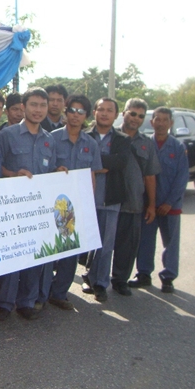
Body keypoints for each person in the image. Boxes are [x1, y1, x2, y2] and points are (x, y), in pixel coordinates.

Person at [0, 88, 63, 321]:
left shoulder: (49, 140)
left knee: (36, 254)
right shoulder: (7, 135)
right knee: (11, 256)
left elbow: (50, 171)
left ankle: (27, 301)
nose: (38, 110)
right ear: (23, 107)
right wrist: (13, 174)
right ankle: (4, 302)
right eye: (33, 105)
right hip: (11, 208)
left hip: (39, 209)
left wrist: (59, 173)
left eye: (42, 105)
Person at [48, 95, 102, 310]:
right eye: (72, 110)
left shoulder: (91, 143)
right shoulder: (51, 138)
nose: (76, 115)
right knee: (49, 249)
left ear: (86, 116)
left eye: (81, 112)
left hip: (77, 205)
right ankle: (42, 291)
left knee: (71, 250)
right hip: (53, 204)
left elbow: (92, 175)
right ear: (66, 111)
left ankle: (60, 293)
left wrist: (88, 205)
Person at [130, 107, 189, 294]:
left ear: (171, 123)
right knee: (145, 240)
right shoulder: (145, 144)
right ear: (152, 122)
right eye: (158, 119)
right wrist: (150, 203)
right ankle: (143, 274)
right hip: (148, 204)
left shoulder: (178, 147)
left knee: (170, 242)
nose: (161, 123)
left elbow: (182, 178)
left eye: (165, 120)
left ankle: (168, 277)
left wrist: (169, 202)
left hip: (170, 205)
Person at [83, 98, 131, 302]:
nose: (104, 113)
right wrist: (102, 165)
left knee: (105, 245)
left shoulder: (122, 139)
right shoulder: (85, 136)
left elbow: (120, 162)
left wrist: (94, 164)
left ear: (116, 115)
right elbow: (81, 162)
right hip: (85, 199)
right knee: (85, 243)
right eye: (100, 109)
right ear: (94, 112)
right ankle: (88, 276)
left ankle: (100, 284)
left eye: (109, 110)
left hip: (110, 199)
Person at [110, 99, 160, 296]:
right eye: (132, 113)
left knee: (127, 246)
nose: (136, 118)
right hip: (108, 200)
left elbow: (150, 176)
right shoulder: (111, 136)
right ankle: (95, 279)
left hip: (133, 202)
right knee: (102, 243)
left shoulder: (146, 144)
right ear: (123, 114)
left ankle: (120, 280)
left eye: (140, 116)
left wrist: (152, 205)